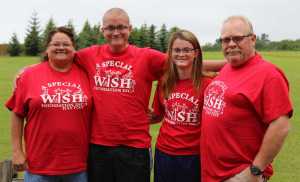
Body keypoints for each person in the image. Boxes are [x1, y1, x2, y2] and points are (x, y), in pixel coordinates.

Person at [76, 7, 225, 182]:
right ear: (102, 30)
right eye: (110, 27)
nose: (116, 32)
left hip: (135, 146)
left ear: (130, 29)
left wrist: (228, 63)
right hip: (99, 145)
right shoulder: (89, 55)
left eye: (121, 27)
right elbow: (59, 60)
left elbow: (182, 61)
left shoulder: (146, 57)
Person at [200, 15, 293, 182]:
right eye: (225, 40)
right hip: (212, 172)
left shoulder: (269, 75)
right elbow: (201, 64)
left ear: (253, 39)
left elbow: (281, 125)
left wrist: (256, 169)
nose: (231, 44)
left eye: (237, 38)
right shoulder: (228, 67)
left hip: (239, 175)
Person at [6, 27, 93, 182]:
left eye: (66, 44)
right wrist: (17, 151)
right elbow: (17, 113)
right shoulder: (28, 76)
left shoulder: (87, 74)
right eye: (55, 44)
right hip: (38, 167)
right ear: (47, 49)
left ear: (74, 49)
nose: (61, 47)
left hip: (79, 167)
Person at [150, 30, 212, 182]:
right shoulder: (165, 82)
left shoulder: (207, 84)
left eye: (186, 50)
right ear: (170, 53)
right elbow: (157, 115)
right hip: (164, 152)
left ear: (196, 53)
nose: (181, 54)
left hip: (193, 155)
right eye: (177, 50)